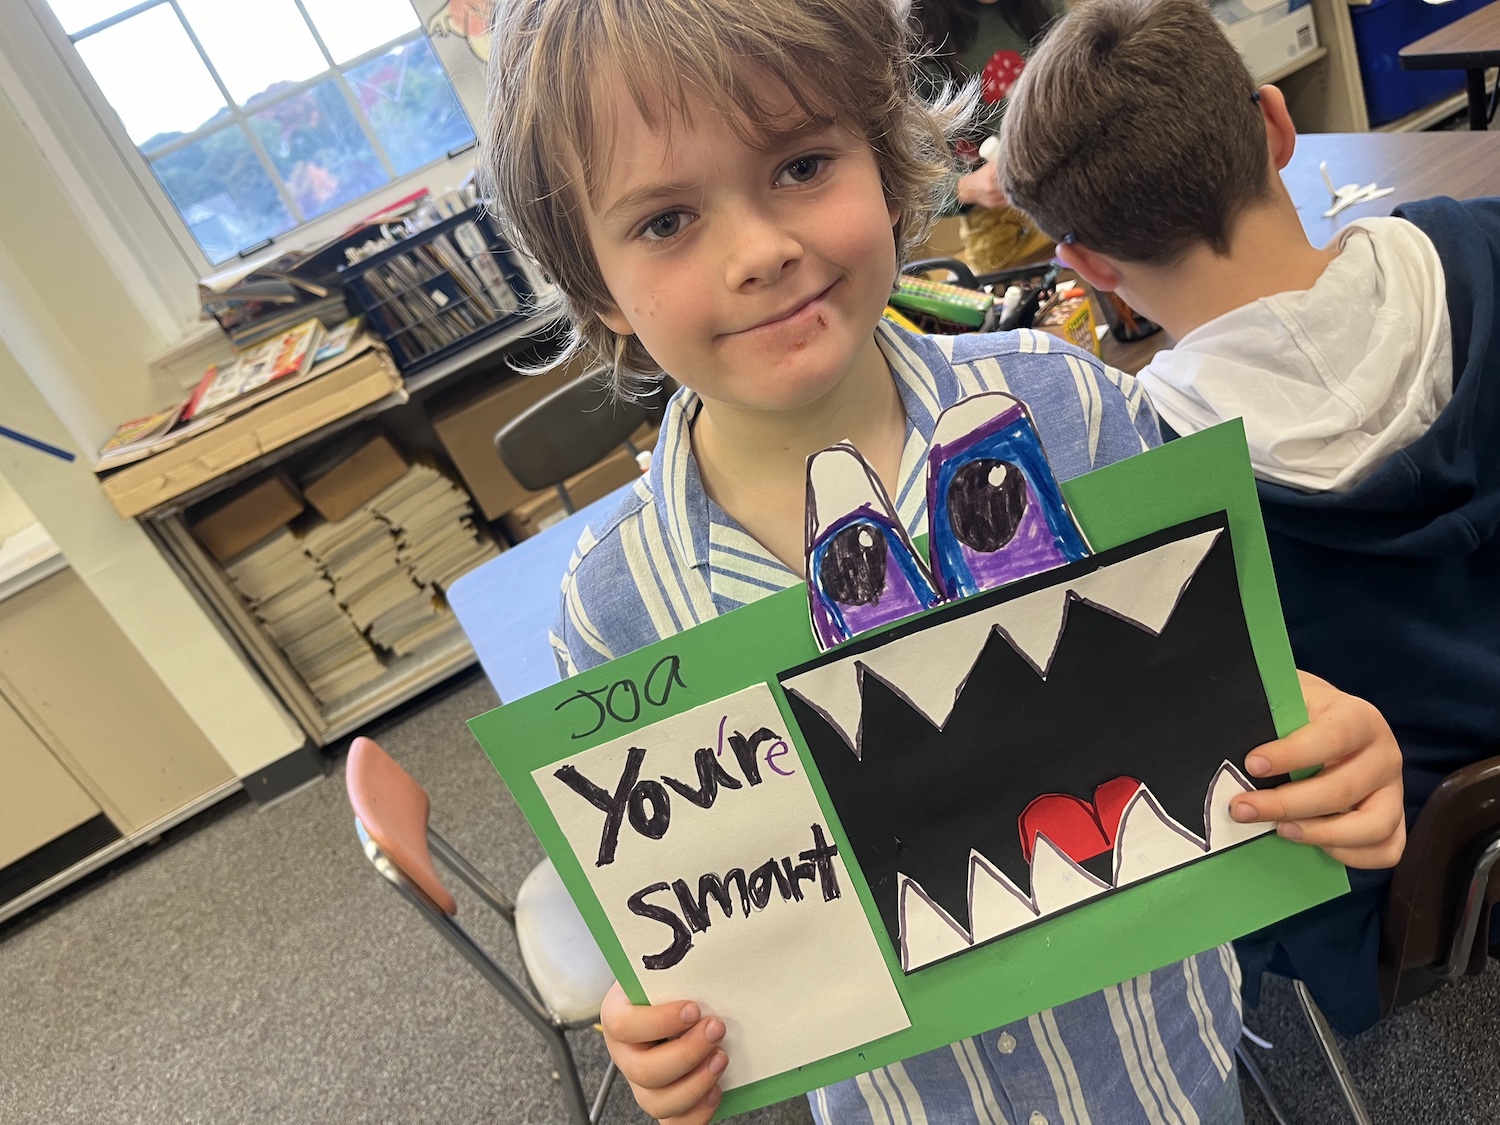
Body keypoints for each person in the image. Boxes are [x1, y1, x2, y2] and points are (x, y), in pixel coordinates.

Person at [482, 0, 1404, 1120]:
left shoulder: (1074, 413)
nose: (760, 251)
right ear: (594, 285)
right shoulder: (616, 612)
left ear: (884, 159)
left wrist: (1331, 753)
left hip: (1168, 1072)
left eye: (802, 165)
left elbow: (1228, 696)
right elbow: (693, 933)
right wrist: (667, 1038)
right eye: (666, 220)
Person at [999, 0, 1499, 1037]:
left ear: (1089, 268)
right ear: (1277, 127)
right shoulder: (1480, 241)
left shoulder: (1145, 479)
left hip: (1395, 888)